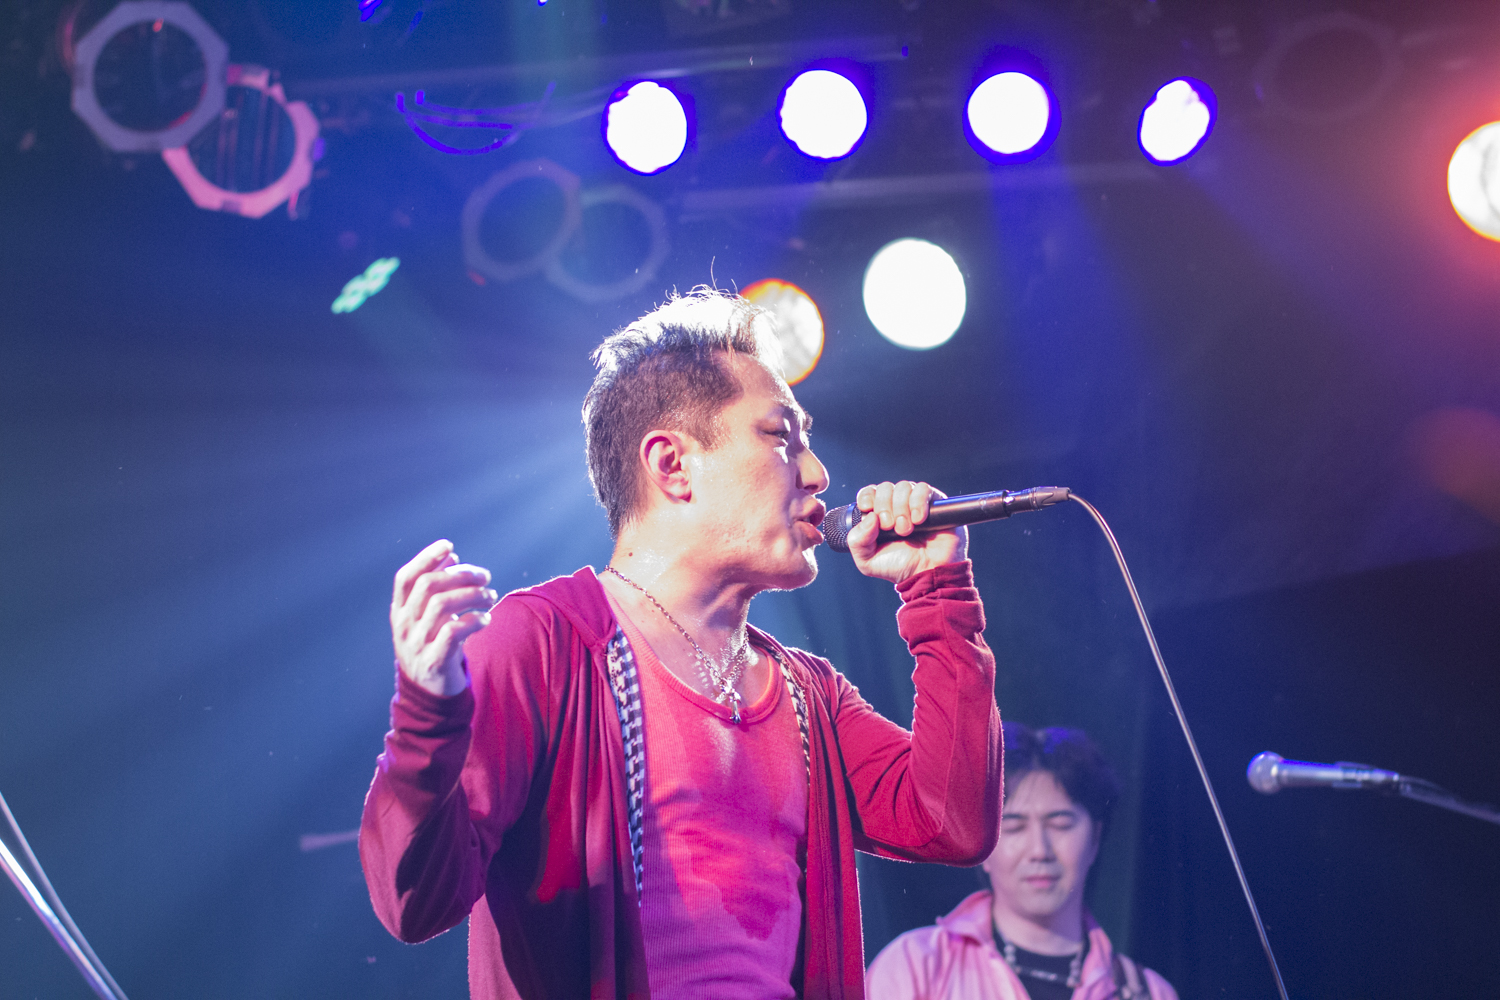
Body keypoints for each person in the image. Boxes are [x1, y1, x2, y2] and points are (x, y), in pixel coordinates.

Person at [359, 288, 1003, 999]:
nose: (818, 474)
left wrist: (938, 589)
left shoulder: (808, 693)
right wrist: (426, 718)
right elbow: (416, 901)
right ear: (671, 465)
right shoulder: (545, 643)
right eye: (781, 437)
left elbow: (951, 823)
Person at [866, 724, 1178, 1000]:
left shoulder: (1150, 993)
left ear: (1095, 837)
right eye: (1014, 826)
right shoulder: (915, 967)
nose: (1039, 850)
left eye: (1060, 824)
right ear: (980, 844)